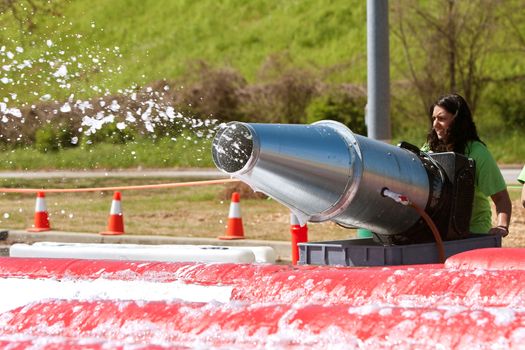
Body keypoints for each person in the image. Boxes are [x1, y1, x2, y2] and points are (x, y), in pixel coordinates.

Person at [421, 93, 511, 237]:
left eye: (442, 119)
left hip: (472, 233)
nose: (435, 124)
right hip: (439, 231)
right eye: (434, 118)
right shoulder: (427, 149)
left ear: (458, 121)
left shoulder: (478, 153)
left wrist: (502, 226)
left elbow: (501, 198)